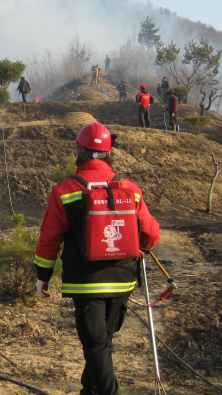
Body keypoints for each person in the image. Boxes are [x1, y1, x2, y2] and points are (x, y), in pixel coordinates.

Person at [33, 122, 161, 395]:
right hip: (123, 280)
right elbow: (150, 234)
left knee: (96, 344)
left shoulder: (65, 190)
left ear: (79, 152)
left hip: (86, 283)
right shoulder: (130, 188)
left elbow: (49, 238)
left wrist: (42, 276)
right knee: (103, 341)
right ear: (108, 153)